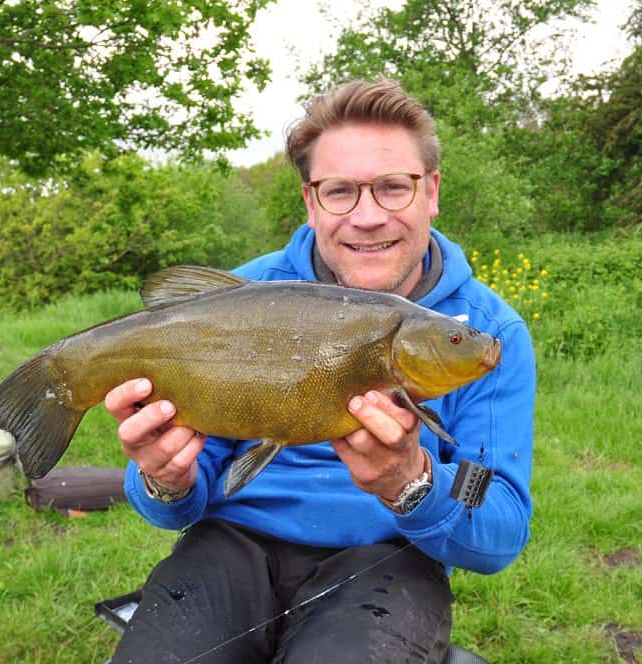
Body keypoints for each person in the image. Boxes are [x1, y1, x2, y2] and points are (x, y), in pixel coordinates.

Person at [108, 79, 536, 664]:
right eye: (340, 192)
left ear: (431, 192)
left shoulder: (480, 336)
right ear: (310, 202)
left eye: (393, 187)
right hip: (229, 544)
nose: (367, 217)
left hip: (385, 558)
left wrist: (414, 482)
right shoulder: (248, 298)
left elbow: (498, 519)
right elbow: (177, 499)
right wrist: (164, 477)